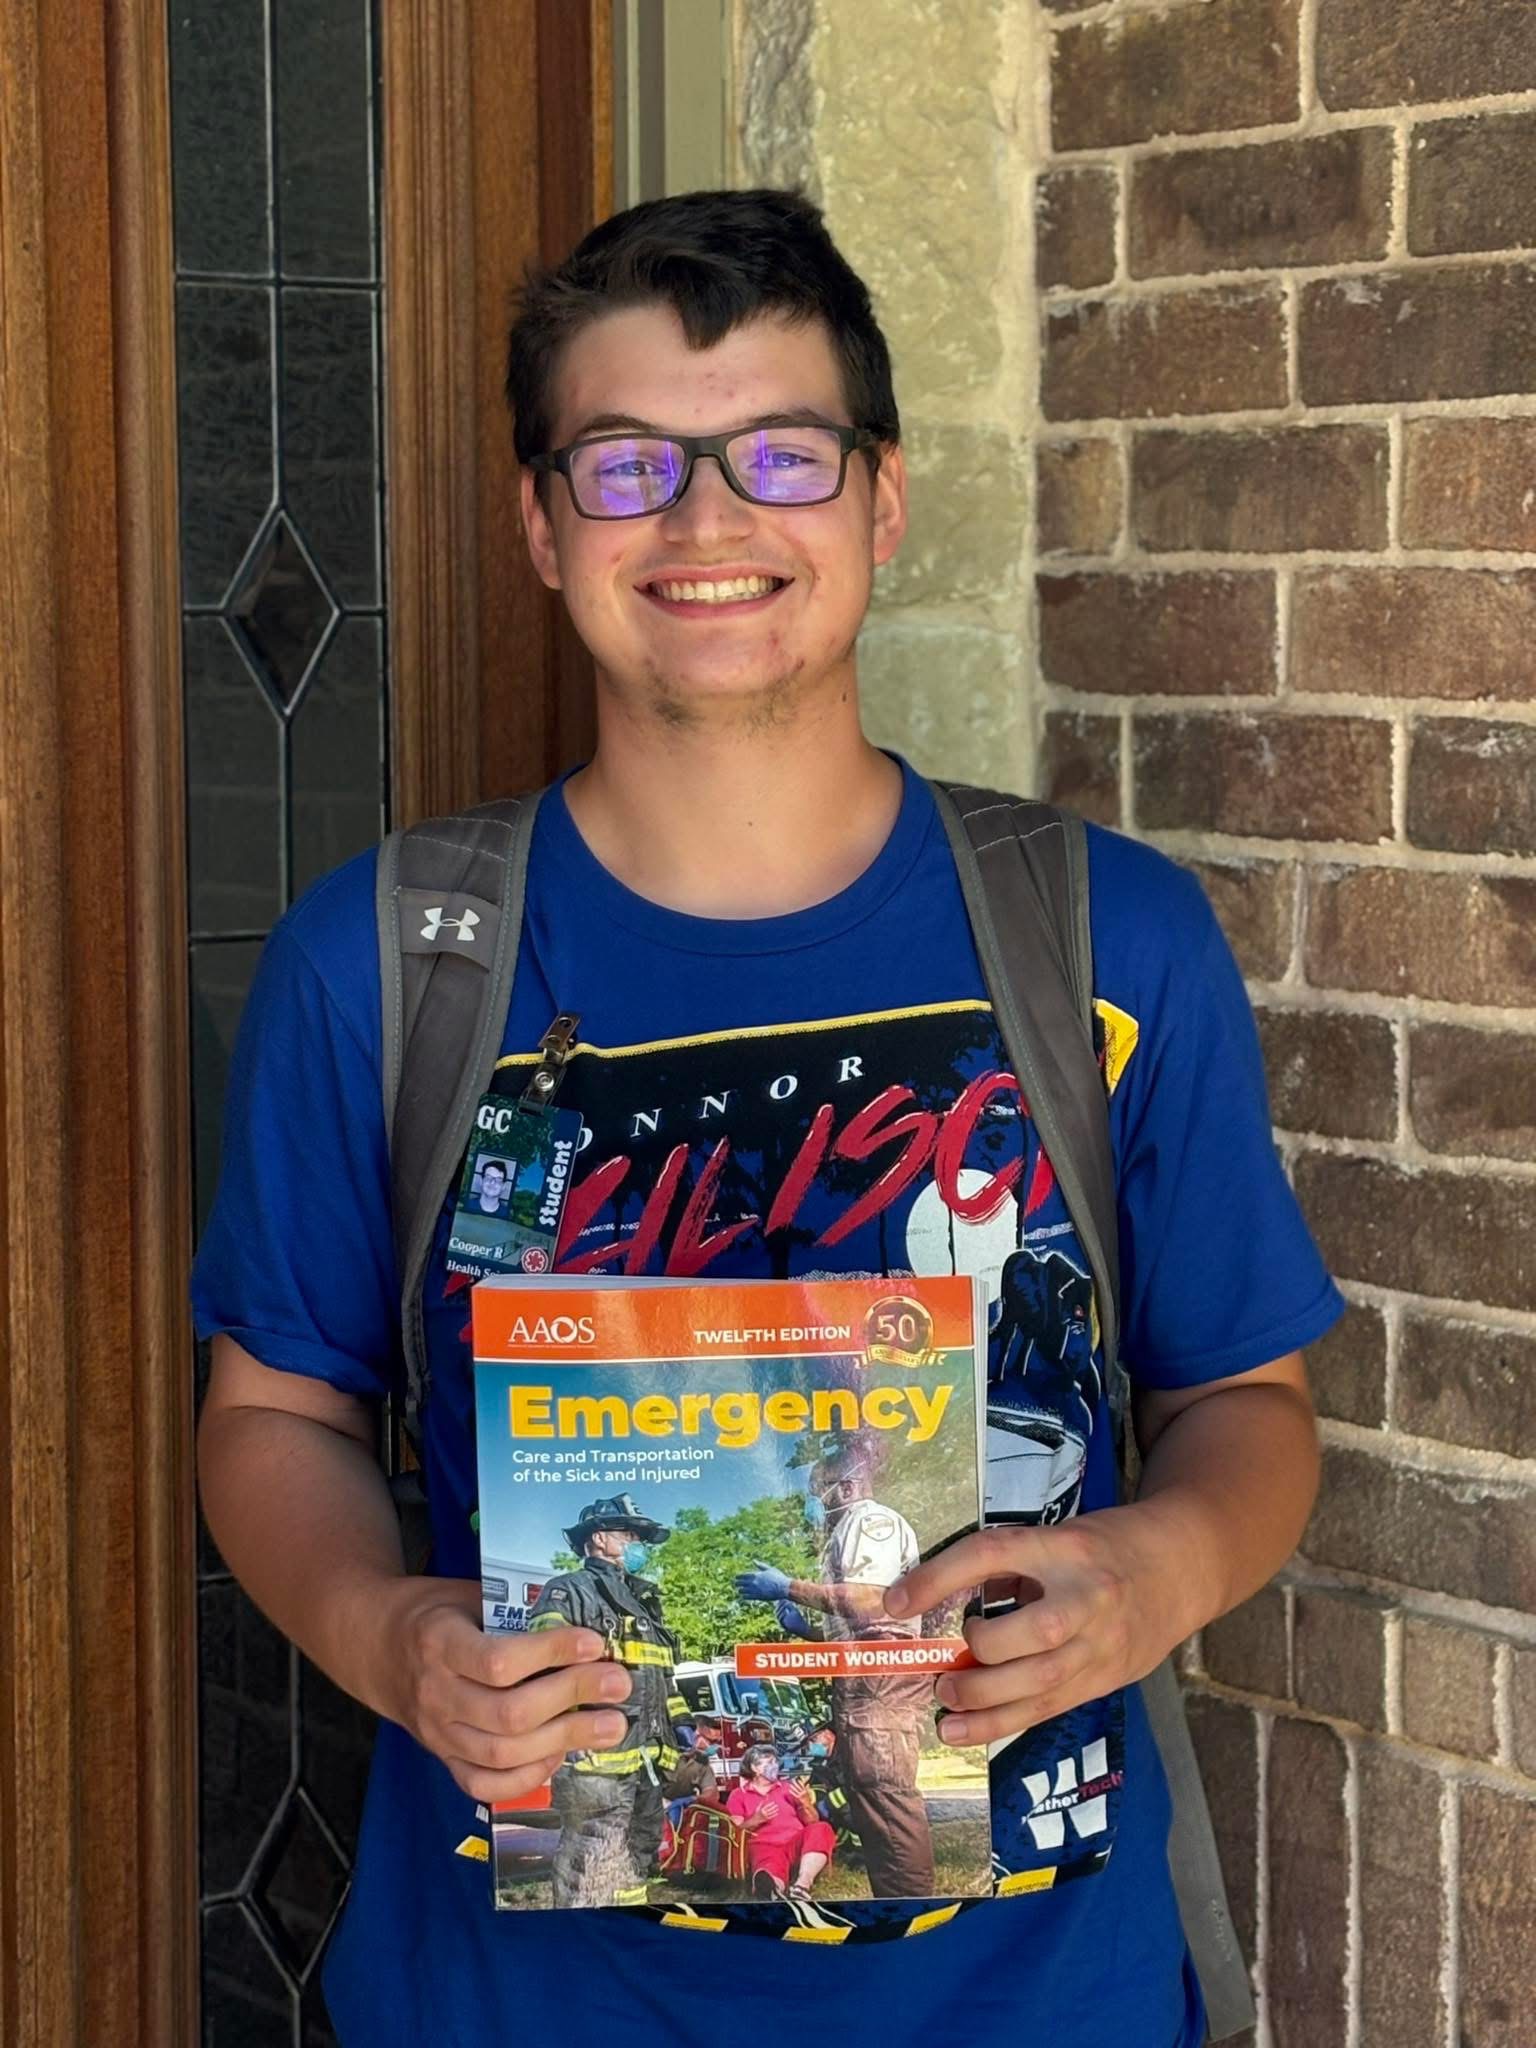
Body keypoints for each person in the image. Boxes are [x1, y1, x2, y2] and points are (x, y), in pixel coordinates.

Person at [194, 188, 1343, 2046]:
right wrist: (392, 1640)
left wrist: (1162, 1572)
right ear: (543, 523)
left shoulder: (1104, 938)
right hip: (513, 1998)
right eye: (629, 463)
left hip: (1037, 1994)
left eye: (782, 455)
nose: (709, 520)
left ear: (881, 501)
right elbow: (272, 1415)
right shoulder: (385, 966)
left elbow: (1249, 1402)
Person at [736, 1434, 935, 1896]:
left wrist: (789, 1587)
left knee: (885, 1793)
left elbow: (871, 1603)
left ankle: (911, 1903)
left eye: (820, 1492)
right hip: (865, 1673)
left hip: (880, 1673)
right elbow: (858, 1622)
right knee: (871, 1797)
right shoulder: (846, 1531)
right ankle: (893, 1898)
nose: (817, 1504)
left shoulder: (870, 1521)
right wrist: (807, 1630)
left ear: (846, 1486)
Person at [524, 1495, 680, 1905]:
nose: (637, 1544)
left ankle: (629, 1924)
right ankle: (582, 1932)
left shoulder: (645, 1601)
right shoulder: (568, 1591)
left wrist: (681, 1727)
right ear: (598, 1538)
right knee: (591, 1858)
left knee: (639, 1853)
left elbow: (663, 1677)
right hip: (596, 1765)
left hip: (647, 1760)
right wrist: (570, 1735)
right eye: (629, 1534)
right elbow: (545, 1664)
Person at [726, 1743, 838, 1904]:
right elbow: (734, 1831)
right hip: (764, 1845)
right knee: (768, 1863)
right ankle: (772, 1889)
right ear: (754, 1768)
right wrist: (757, 1819)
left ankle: (801, 1886)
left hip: (795, 1843)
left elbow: (813, 1821)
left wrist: (805, 1802)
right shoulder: (738, 1795)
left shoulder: (788, 1788)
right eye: (769, 1762)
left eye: (775, 1762)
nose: (775, 1766)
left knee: (822, 1828)